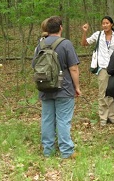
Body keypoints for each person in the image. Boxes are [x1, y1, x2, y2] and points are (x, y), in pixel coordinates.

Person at [33, 16, 81, 159]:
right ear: (60, 27)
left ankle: (48, 150)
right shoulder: (66, 44)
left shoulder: (40, 45)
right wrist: (77, 87)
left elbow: (34, 66)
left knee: (47, 119)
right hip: (64, 88)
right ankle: (66, 151)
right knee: (63, 120)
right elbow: (73, 68)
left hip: (45, 87)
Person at [81, 16, 114, 126]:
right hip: (103, 67)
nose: (105, 25)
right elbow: (84, 43)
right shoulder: (98, 35)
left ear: (111, 24)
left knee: (113, 93)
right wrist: (84, 32)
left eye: (107, 23)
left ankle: (112, 116)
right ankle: (103, 117)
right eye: (103, 23)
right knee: (102, 93)